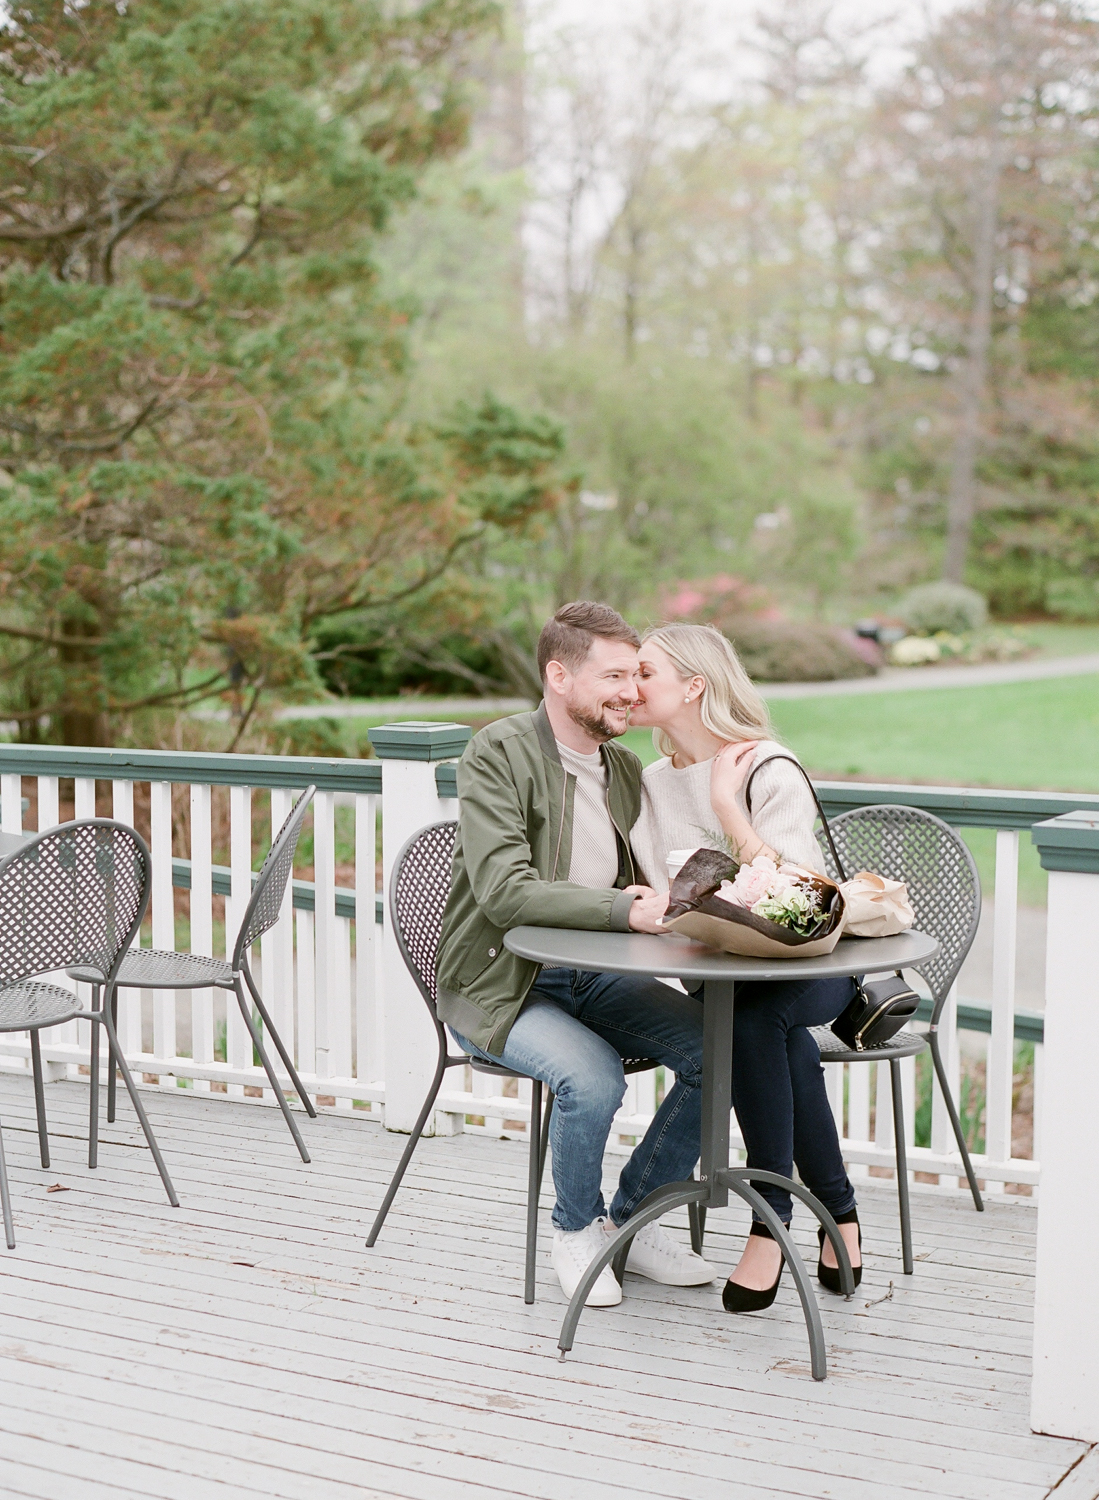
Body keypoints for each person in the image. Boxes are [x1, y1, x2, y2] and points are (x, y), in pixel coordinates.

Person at [435, 601, 716, 1308]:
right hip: (502, 981)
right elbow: (504, 893)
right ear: (559, 676)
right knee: (590, 1080)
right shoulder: (498, 751)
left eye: (636, 675)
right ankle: (574, 1227)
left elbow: (659, 868)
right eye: (614, 675)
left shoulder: (623, 769)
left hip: (595, 977)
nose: (630, 690)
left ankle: (636, 1220)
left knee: (721, 1051)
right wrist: (626, 910)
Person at [629, 622, 863, 1311]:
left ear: (693, 686)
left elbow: (799, 902)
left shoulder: (766, 767)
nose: (628, 686)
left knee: (758, 1026)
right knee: (774, 1039)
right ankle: (840, 1216)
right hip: (717, 972)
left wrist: (728, 809)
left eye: (644, 673)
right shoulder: (647, 784)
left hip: (807, 970)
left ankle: (770, 1220)